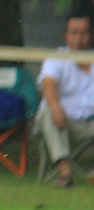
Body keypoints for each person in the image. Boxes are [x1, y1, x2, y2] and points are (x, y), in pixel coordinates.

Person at [35, 12, 94, 187]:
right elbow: (48, 85)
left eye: (83, 33)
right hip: (64, 122)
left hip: (90, 122)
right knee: (48, 110)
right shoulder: (57, 58)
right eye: (74, 32)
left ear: (91, 35)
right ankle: (65, 172)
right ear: (66, 35)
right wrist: (56, 108)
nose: (78, 38)